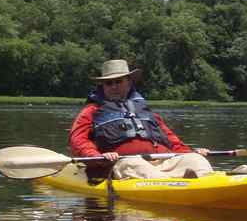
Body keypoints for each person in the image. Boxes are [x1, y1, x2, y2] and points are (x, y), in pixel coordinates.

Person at [69, 59, 214, 181]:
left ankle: (204, 185)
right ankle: (181, 186)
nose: (113, 86)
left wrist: (190, 152)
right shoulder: (91, 111)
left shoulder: (146, 111)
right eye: (108, 83)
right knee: (133, 164)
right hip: (122, 164)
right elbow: (78, 140)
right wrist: (97, 156)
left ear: (129, 82)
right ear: (103, 86)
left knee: (196, 160)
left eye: (118, 81)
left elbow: (171, 140)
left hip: (162, 162)